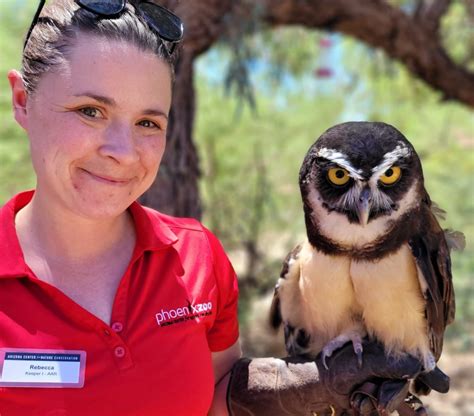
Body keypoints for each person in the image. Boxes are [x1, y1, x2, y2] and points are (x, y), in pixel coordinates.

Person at [0, 0, 430, 415]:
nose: (123, 152)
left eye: (148, 123)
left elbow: (216, 393)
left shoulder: (196, 256)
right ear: (22, 101)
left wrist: (313, 389)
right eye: (90, 111)